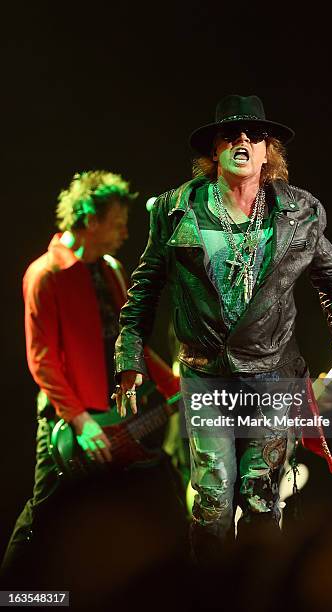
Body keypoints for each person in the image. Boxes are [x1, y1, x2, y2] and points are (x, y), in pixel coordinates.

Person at [114, 95, 332, 561]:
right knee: (214, 501)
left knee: (261, 499)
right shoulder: (176, 209)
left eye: (255, 135)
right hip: (206, 375)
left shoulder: (301, 212)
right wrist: (129, 356)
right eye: (230, 134)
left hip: (272, 374)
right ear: (214, 150)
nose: (243, 140)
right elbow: (144, 289)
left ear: (268, 152)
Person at [1, 170, 182, 578]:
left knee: (146, 504)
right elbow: (42, 359)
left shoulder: (111, 269)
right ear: (89, 219)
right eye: (117, 222)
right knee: (42, 516)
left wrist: (173, 385)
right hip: (69, 422)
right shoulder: (45, 274)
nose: (123, 232)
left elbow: (128, 341)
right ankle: (14, 596)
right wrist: (79, 420)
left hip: (117, 416)